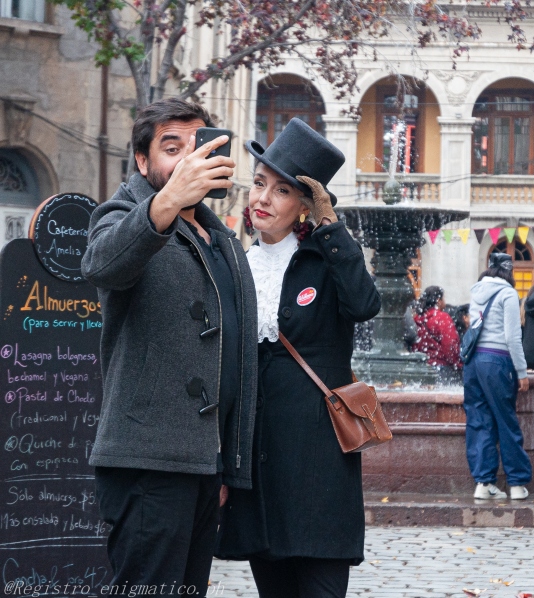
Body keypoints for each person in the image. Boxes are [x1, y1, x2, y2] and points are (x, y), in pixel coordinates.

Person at [82, 98, 257, 596]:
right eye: (169, 147)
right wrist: (163, 205)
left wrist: (226, 463)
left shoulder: (220, 236)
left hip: (203, 465)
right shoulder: (122, 214)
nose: (184, 159)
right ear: (142, 161)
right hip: (146, 461)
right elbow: (101, 265)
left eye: (194, 145)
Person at [216, 118, 381, 597]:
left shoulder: (325, 260)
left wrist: (332, 228)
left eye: (282, 191)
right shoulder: (235, 262)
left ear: (306, 206)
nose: (262, 199)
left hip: (319, 465)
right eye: (260, 184)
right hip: (259, 465)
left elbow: (365, 304)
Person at [464, 252, 531, 500]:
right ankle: (516, 484)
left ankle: (483, 483)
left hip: (473, 363)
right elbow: (512, 338)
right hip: (497, 361)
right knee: (505, 420)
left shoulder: (476, 291)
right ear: (509, 271)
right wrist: (522, 372)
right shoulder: (508, 294)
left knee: (478, 420)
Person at [413, 285, 463, 384]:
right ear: (438, 300)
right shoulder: (442, 318)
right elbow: (450, 344)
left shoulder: (417, 319)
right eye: (443, 299)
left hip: (422, 367)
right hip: (441, 367)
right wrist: (457, 364)